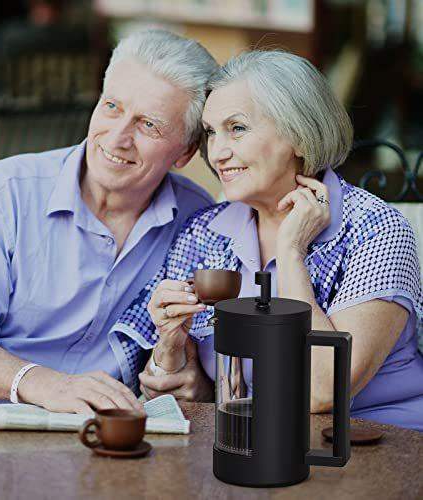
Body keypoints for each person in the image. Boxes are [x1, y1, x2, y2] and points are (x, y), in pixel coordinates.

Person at [0, 29, 218, 440]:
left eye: (148, 125)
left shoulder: (200, 222)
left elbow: (199, 370)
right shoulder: (5, 192)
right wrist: (49, 384)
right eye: (112, 107)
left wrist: (195, 386)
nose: (118, 137)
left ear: (185, 152)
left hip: (97, 442)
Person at [112, 50, 423, 431]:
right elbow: (184, 389)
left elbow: (323, 391)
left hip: (376, 444)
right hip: (253, 443)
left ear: (300, 136)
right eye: (211, 132)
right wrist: (172, 351)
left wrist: (291, 253)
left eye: (237, 128)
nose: (219, 152)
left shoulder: (374, 230)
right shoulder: (204, 233)